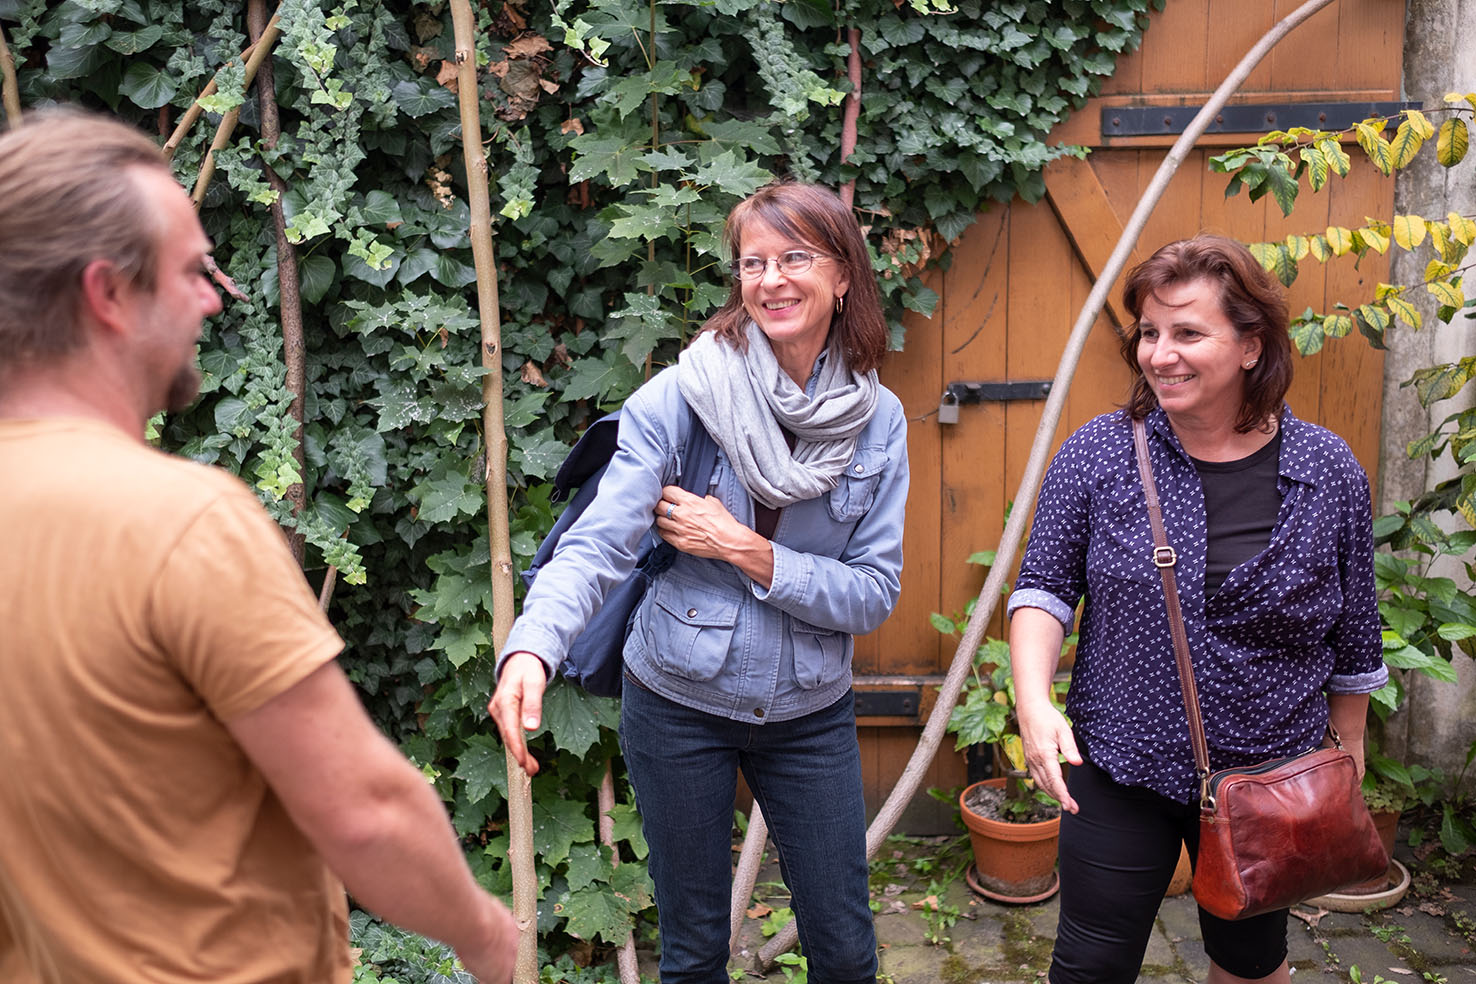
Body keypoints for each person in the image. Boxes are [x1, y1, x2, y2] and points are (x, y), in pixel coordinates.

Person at [0, 109, 516, 984]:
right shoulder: (179, 523)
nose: (214, 298)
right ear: (107, 294)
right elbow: (365, 812)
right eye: (192, 271)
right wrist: (485, 935)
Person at [491, 181, 907, 984]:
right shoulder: (683, 397)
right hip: (678, 703)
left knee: (847, 954)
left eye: (795, 257)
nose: (772, 279)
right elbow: (598, 541)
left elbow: (873, 592)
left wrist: (747, 550)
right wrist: (532, 648)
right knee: (691, 956)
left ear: (843, 275)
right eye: (753, 262)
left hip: (809, 711)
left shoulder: (878, 419)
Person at [1007, 235, 1387, 984]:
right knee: (1088, 966)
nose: (1160, 354)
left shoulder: (1327, 469)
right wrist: (1033, 702)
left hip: (1270, 777)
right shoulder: (1099, 454)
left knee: (1251, 963)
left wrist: (1344, 756)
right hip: (1121, 762)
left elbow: (1354, 636)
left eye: (1187, 332)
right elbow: (1043, 589)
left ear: (1251, 345)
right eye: (1149, 332)